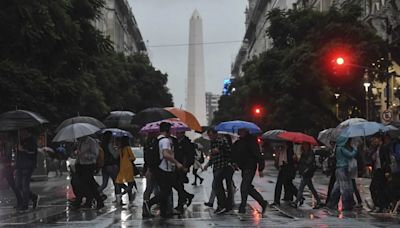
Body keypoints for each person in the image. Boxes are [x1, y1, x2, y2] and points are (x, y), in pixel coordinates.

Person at [151, 122, 184, 218]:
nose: (171, 131)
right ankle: (149, 203)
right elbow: (165, 154)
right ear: (167, 130)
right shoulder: (165, 140)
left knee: (165, 191)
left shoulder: (157, 139)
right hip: (164, 169)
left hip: (159, 168)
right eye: (170, 129)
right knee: (166, 191)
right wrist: (177, 163)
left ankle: (164, 211)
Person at [232, 128, 268, 215]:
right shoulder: (240, 142)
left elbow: (257, 154)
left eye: (242, 131)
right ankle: (263, 202)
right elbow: (235, 153)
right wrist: (235, 163)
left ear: (246, 131)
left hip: (250, 166)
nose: (240, 133)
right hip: (244, 167)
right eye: (239, 131)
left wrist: (260, 168)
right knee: (248, 188)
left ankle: (242, 207)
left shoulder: (251, 141)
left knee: (244, 187)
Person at [204, 128, 233, 214]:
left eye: (211, 135)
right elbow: (213, 156)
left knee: (216, 185)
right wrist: (208, 164)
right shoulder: (212, 142)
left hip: (222, 166)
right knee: (218, 186)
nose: (210, 137)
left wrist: (219, 150)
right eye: (209, 136)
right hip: (216, 166)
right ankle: (223, 205)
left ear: (215, 134)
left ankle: (222, 205)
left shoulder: (222, 141)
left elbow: (229, 152)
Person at [73, 135, 104, 210]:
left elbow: (95, 154)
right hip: (80, 165)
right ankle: (83, 201)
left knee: (90, 183)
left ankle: (98, 200)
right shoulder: (80, 142)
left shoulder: (91, 142)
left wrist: (85, 155)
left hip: (88, 165)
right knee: (81, 183)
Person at [327, 136, 357, 211]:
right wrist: (355, 149)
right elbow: (350, 155)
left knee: (337, 187)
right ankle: (346, 205)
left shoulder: (337, 148)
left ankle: (332, 203)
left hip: (338, 169)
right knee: (345, 187)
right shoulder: (342, 148)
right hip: (343, 168)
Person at [290, 142, 323, 209]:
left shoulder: (310, 153)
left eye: (306, 145)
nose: (305, 146)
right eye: (304, 145)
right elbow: (300, 163)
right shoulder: (303, 153)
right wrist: (297, 160)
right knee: (311, 188)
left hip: (307, 172)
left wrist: (301, 159)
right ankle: (319, 201)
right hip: (304, 172)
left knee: (301, 188)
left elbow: (308, 162)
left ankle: (296, 202)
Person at [15, 129, 39, 212]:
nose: (20, 134)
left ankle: (25, 205)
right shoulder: (20, 141)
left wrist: (24, 150)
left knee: (25, 185)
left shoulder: (32, 140)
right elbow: (18, 155)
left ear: (26, 132)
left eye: (22, 132)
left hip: (28, 166)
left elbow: (33, 153)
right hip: (20, 166)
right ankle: (33, 197)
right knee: (18, 185)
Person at [368, 133, 392, 213]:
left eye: (375, 139)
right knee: (373, 188)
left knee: (381, 189)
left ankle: (382, 206)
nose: (373, 141)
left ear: (379, 139)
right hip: (376, 170)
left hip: (382, 170)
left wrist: (387, 171)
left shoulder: (384, 148)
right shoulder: (375, 149)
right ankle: (377, 205)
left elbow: (388, 160)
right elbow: (371, 159)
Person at [173, 131, 195, 212]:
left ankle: (180, 205)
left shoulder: (187, 143)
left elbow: (190, 156)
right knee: (177, 185)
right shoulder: (176, 142)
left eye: (178, 133)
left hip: (183, 167)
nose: (176, 134)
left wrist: (186, 166)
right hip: (176, 166)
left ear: (182, 133)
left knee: (179, 184)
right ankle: (188, 196)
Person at [271, 142, 298, 207]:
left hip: (287, 168)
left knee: (283, 184)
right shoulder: (281, 149)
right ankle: (299, 196)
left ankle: (277, 201)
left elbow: (291, 161)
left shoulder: (290, 150)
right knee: (287, 184)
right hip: (283, 168)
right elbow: (279, 159)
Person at [98, 131, 120, 200]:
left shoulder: (101, 145)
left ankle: (94, 194)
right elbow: (115, 155)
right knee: (116, 183)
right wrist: (118, 149)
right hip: (111, 166)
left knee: (104, 184)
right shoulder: (109, 144)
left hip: (104, 166)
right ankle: (118, 199)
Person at [115, 136, 136, 206]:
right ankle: (122, 194)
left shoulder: (120, 149)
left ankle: (124, 197)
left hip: (122, 167)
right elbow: (133, 157)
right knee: (131, 184)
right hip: (128, 167)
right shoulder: (128, 148)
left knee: (119, 182)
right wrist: (129, 159)